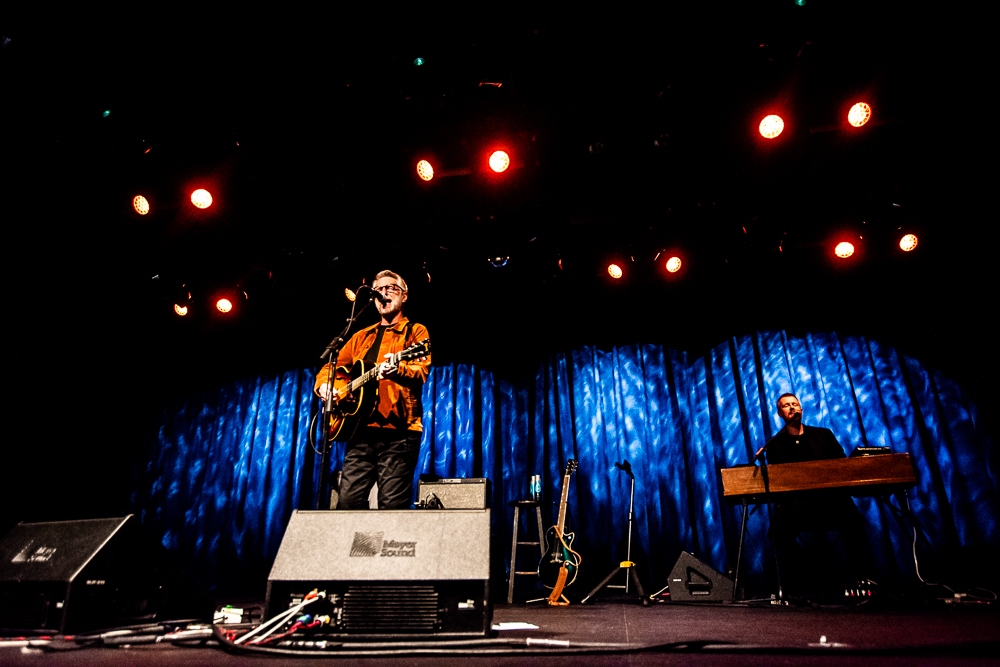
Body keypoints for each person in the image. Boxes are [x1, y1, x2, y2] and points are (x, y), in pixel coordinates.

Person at [315, 270, 431, 510]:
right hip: (359, 433)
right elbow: (331, 366)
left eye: (391, 288)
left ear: (404, 296)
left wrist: (396, 370)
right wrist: (328, 386)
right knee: (347, 503)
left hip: (399, 433)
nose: (385, 292)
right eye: (380, 289)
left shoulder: (415, 332)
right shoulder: (360, 335)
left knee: (391, 505)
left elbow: (420, 372)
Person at [764, 392, 869, 601]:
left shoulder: (823, 435)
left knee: (855, 520)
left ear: (802, 409)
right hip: (797, 506)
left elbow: (841, 465)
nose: (792, 408)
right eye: (786, 406)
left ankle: (859, 582)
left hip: (831, 502)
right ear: (779, 413)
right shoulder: (775, 444)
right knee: (777, 532)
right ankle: (808, 579)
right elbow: (780, 478)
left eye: (795, 404)